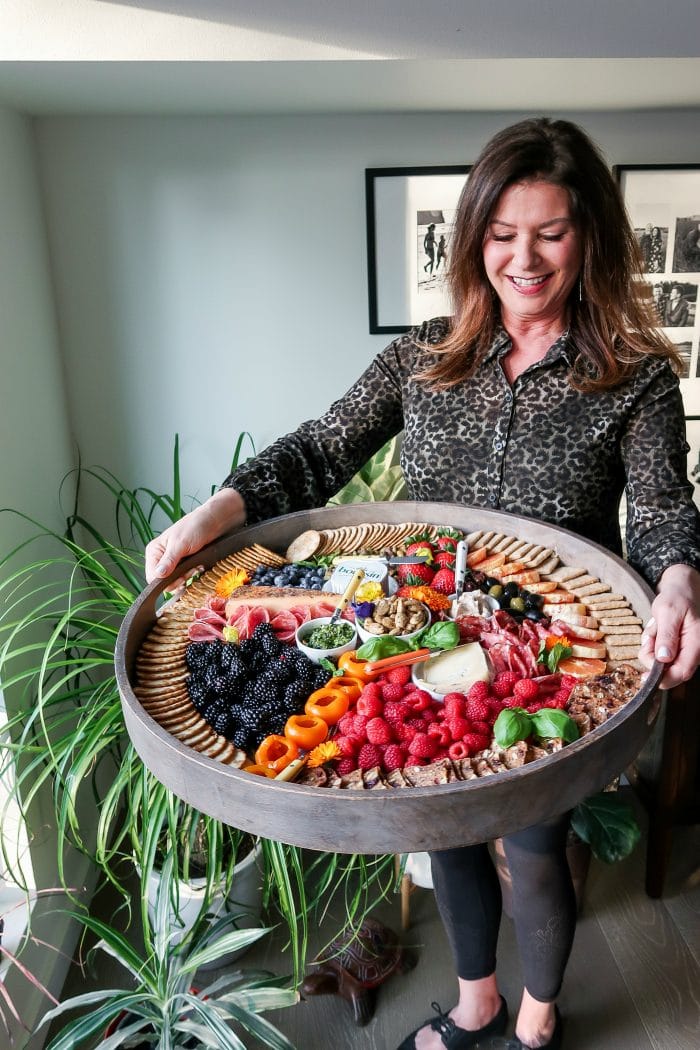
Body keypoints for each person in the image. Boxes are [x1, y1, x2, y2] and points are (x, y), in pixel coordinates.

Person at [146, 118, 700, 1050]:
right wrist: (218, 511)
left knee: (531, 845)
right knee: (446, 832)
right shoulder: (422, 354)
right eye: (500, 233)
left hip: (550, 659)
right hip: (419, 641)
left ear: (591, 237)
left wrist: (680, 578)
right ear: (476, 235)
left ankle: (535, 1022)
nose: (523, 258)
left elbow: (658, 511)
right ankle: (477, 1000)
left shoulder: (635, 380)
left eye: (551, 232)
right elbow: (322, 448)